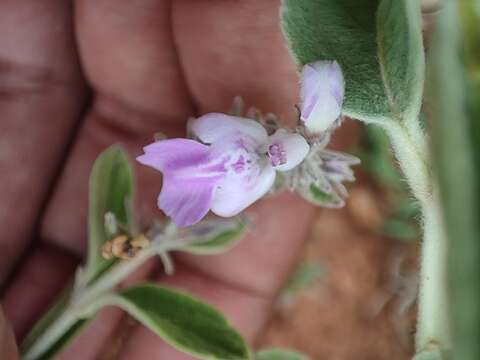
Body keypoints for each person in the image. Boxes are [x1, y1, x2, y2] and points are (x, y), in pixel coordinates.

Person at [0, 1, 318, 358]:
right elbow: (208, 132)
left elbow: (228, 199)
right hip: (214, 158)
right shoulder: (251, 141)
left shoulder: (258, 171)